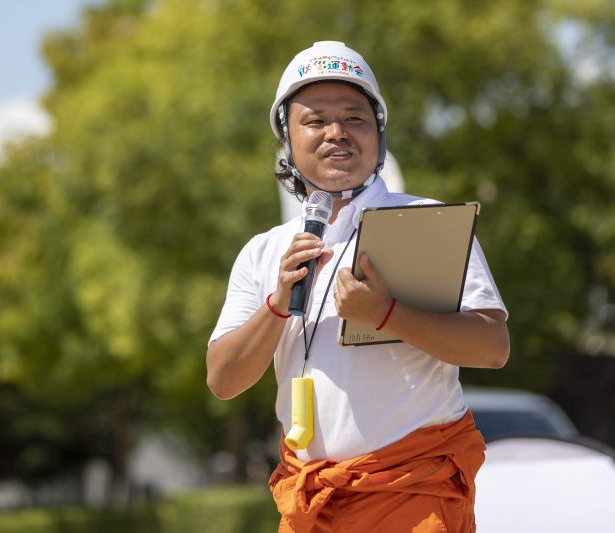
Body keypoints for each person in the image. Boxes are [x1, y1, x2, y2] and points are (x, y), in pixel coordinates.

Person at [206, 41, 509, 532]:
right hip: (309, 503)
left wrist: (388, 314)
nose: (337, 133)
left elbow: (492, 348)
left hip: (412, 497)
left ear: (378, 134)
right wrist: (278, 304)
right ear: (287, 139)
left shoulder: (426, 222)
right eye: (315, 120)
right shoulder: (263, 251)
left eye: (354, 118)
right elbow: (223, 381)